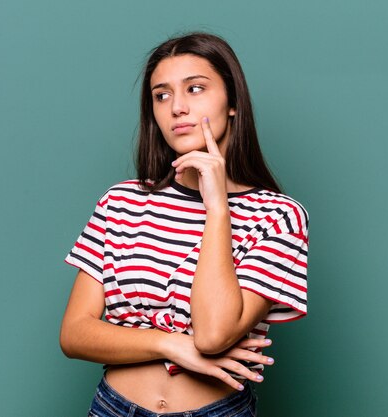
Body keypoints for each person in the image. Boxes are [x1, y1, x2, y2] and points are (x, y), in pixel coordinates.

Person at [60, 32, 309, 417]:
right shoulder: (121, 202)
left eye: (195, 89)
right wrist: (171, 345)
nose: (177, 107)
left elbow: (212, 336)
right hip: (113, 408)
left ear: (233, 103)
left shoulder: (278, 216)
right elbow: (75, 334)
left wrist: (218, 209)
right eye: (162, 95)